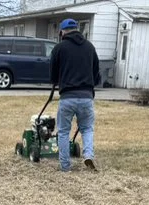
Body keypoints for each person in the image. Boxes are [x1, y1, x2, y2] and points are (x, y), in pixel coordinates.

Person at [49, 18, 101, 172]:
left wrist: (56, 81)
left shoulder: (59, 48)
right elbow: (96, 73)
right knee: (87, 129)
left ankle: (65, 166)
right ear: (77, 30)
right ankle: (88, 155)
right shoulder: (90, 47)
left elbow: (53, 75)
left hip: (67, 96)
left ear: (63, 31)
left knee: (64, 131)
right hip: (86, 96)